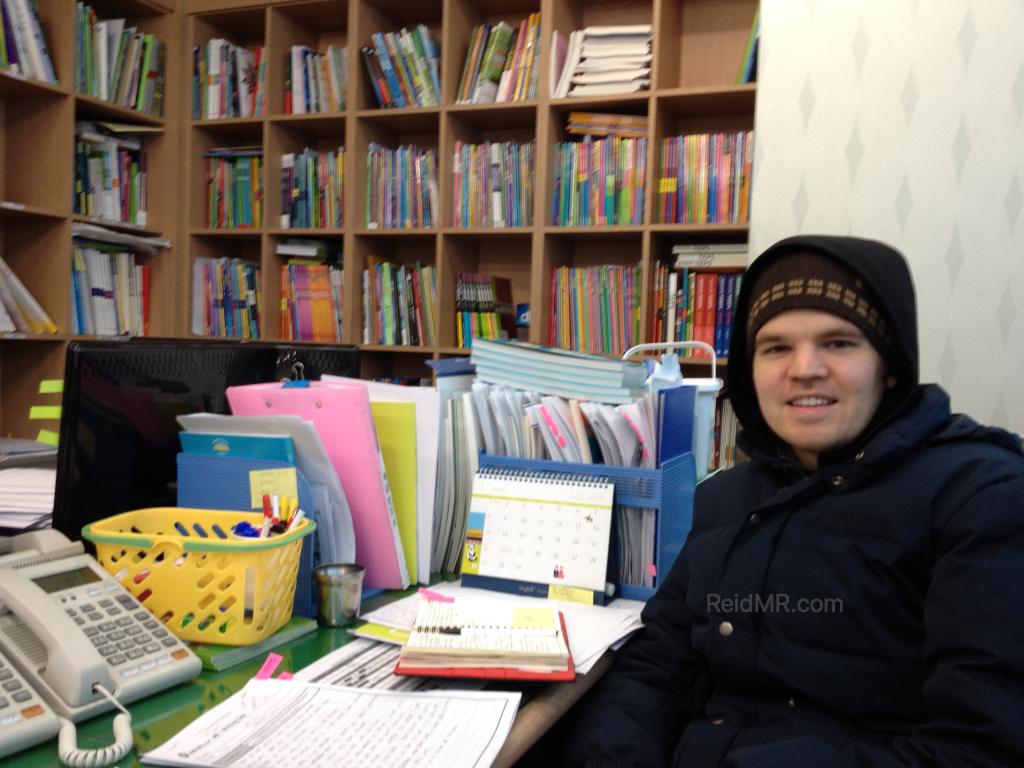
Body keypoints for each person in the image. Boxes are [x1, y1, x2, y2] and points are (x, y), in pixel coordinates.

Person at [556, 235, 1024, 766]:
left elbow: (985, 748)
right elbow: (657, 663)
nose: (804, 369)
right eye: (776, 347)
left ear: (889, 364)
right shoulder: (725, 497)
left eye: (839, 343)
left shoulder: (982, 496)